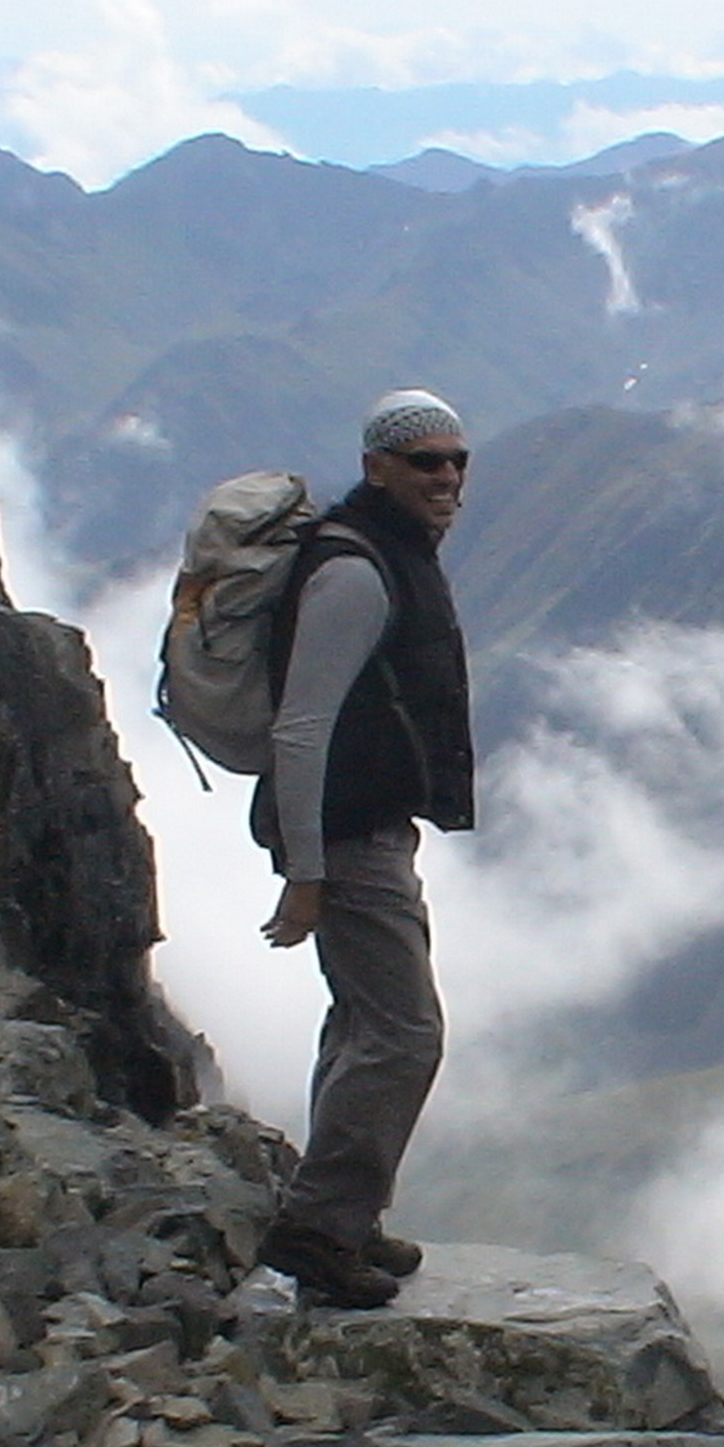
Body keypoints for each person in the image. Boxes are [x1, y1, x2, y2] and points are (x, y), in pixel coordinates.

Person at [251, 389, 476, 1307]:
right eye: (427, 462)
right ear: (379, 466)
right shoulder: (357, 571)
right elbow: (301, 729)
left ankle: (349, 1217)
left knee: (359, 1022)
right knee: (405, 1034)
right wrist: (307, 875)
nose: (449, 478)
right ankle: (319, 1229)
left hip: (367, 829)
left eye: (459, 460)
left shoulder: (389, 552)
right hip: (343, 839)